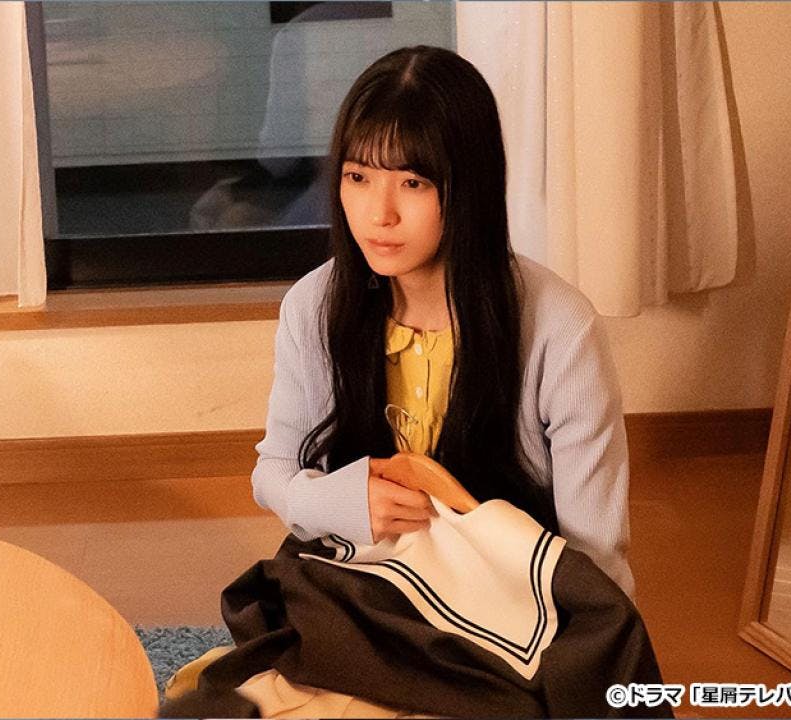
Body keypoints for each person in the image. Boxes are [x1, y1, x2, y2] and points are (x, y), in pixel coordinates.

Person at [251, 44, 635, 600]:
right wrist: (344, 502)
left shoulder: (560, 327)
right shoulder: (314, 305)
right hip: (367, 582)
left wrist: (601, 637)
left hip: (508, 602)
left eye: (413, 183)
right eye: (358, 177)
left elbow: (594, 549)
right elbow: (274, 472)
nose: (379, 214)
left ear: (470, 187)